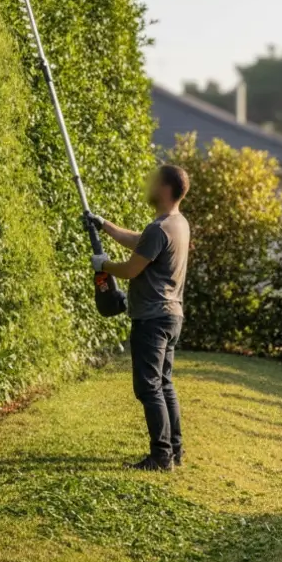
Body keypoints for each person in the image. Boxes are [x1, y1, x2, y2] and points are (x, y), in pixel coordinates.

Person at [88, 164, 192, 471]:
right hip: (171, 317)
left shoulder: (160, 229)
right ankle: (175, 450)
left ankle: (161, 457)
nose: (149, 184)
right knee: (164, 384)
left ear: (164, 188)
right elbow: (140, 242)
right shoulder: (177, 224)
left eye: (154, 181)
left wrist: (103, 266)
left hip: (152, 319)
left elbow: (133, 268)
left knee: (149, 387)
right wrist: (104, 224)